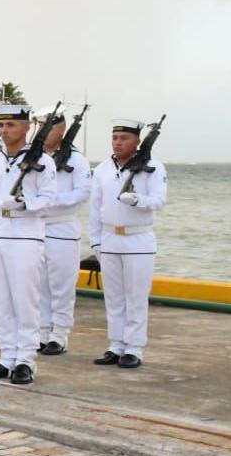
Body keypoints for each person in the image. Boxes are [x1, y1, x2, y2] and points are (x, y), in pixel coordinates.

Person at [0, 104, 56, 385]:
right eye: (1, 125)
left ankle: (25, 360)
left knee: (25, 303)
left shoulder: (44, 161)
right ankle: (6, 356)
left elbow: (49, 199)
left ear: (26, 127)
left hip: (25, 236)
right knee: (2, 302)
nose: (4, 130)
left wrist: (25, 204)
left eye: (11, 125)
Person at [90, 119, 166, 369]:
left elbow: (158, 201)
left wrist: (137, 200)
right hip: (110, 238)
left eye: (124, 138)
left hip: (138, 238)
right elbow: (95, 207)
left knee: (135, 296)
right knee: (113, 297)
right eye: (115, 138)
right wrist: (95, 241)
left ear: (137, 142)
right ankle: (116, 345)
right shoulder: (102, 169)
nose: (118, 142)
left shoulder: (152, 167)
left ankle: (134, 348)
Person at [38, 109, 91, 355]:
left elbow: (83, 192)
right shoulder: (35, 156)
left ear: (62, 129)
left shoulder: (77, 160)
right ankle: (42, 330)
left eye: (50, 126)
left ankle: (59, 335)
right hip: (37, 227)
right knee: (39, 285)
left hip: (62, 226)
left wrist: (53, 200)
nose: (46, 131)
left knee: (61, 285)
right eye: (42, 126)